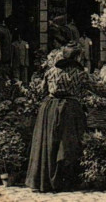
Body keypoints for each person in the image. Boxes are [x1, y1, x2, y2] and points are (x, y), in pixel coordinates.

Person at [26, 43, 90, 192]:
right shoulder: (80, 72)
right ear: (77, 57)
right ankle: (65, 180)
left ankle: (43, 180)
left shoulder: (51, 71)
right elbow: (95, 88)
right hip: (69, 109)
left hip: (49, 108)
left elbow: (41, 90)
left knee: (47, 142)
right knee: (67, 144)